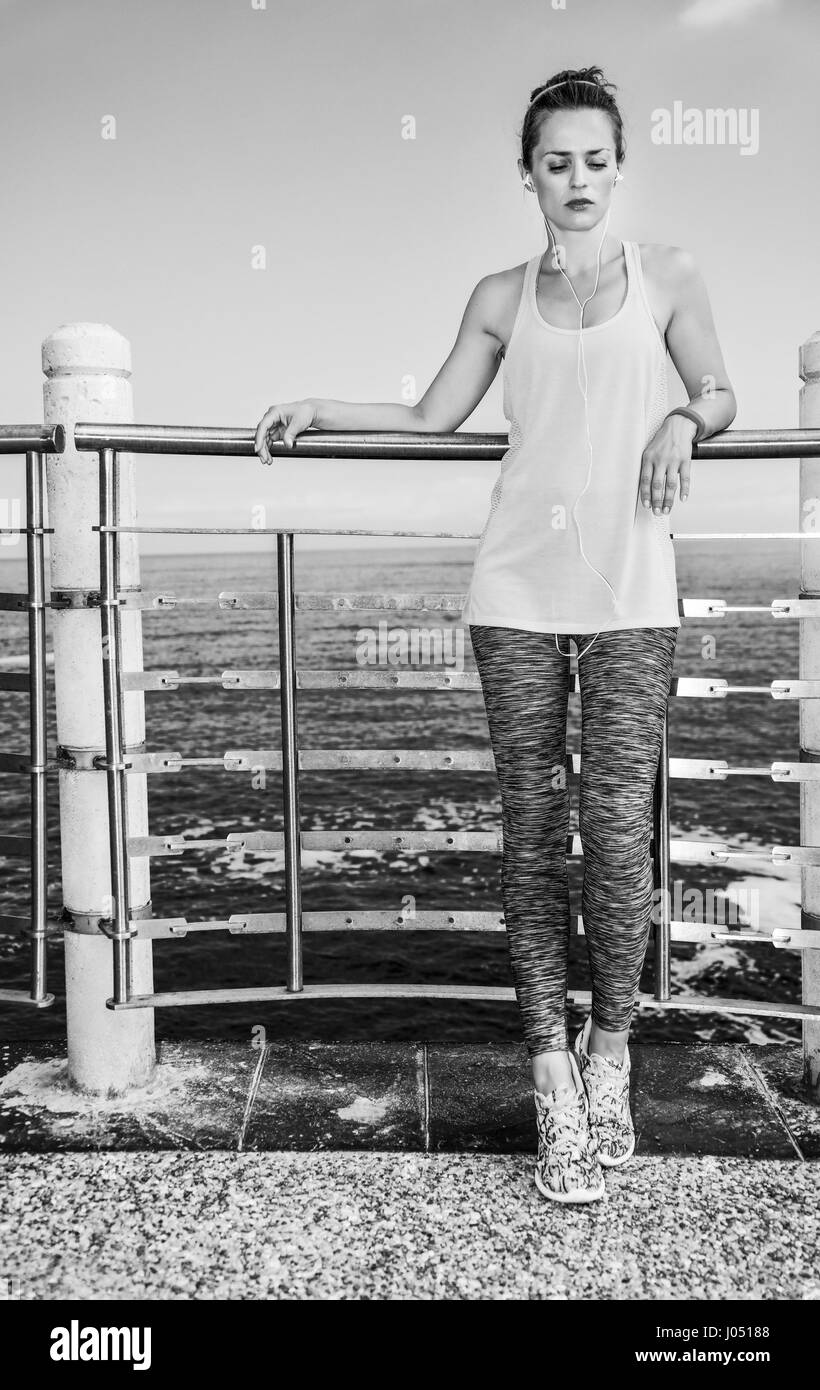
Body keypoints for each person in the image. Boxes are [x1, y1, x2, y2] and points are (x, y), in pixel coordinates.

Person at [254, 64, 737, 1205]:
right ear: (527, 173)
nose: (577, 179)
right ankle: (547, 1086)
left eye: (596, 160)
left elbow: (720, 391)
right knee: (532, 834)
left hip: (630, 596)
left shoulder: (666, 275)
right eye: (555, 160)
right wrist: (320, 403)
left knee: (616, 835)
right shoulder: (496, 293)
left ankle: (607, 1056)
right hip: (515, 593)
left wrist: (680, 415)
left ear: (619, 167)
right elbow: (433, 414)